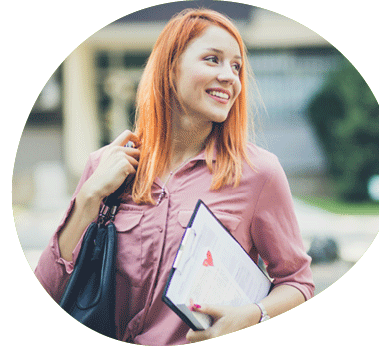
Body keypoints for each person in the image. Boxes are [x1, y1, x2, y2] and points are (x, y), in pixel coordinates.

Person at [35, 8, 314, 345]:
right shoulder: (104, 166)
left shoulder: (258, 174)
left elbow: (298, 284)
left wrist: (253, 314)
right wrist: (89, 199)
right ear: (170, 69)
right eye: (213, 59)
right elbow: (47, 290)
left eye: (236, 66)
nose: (230, 76)